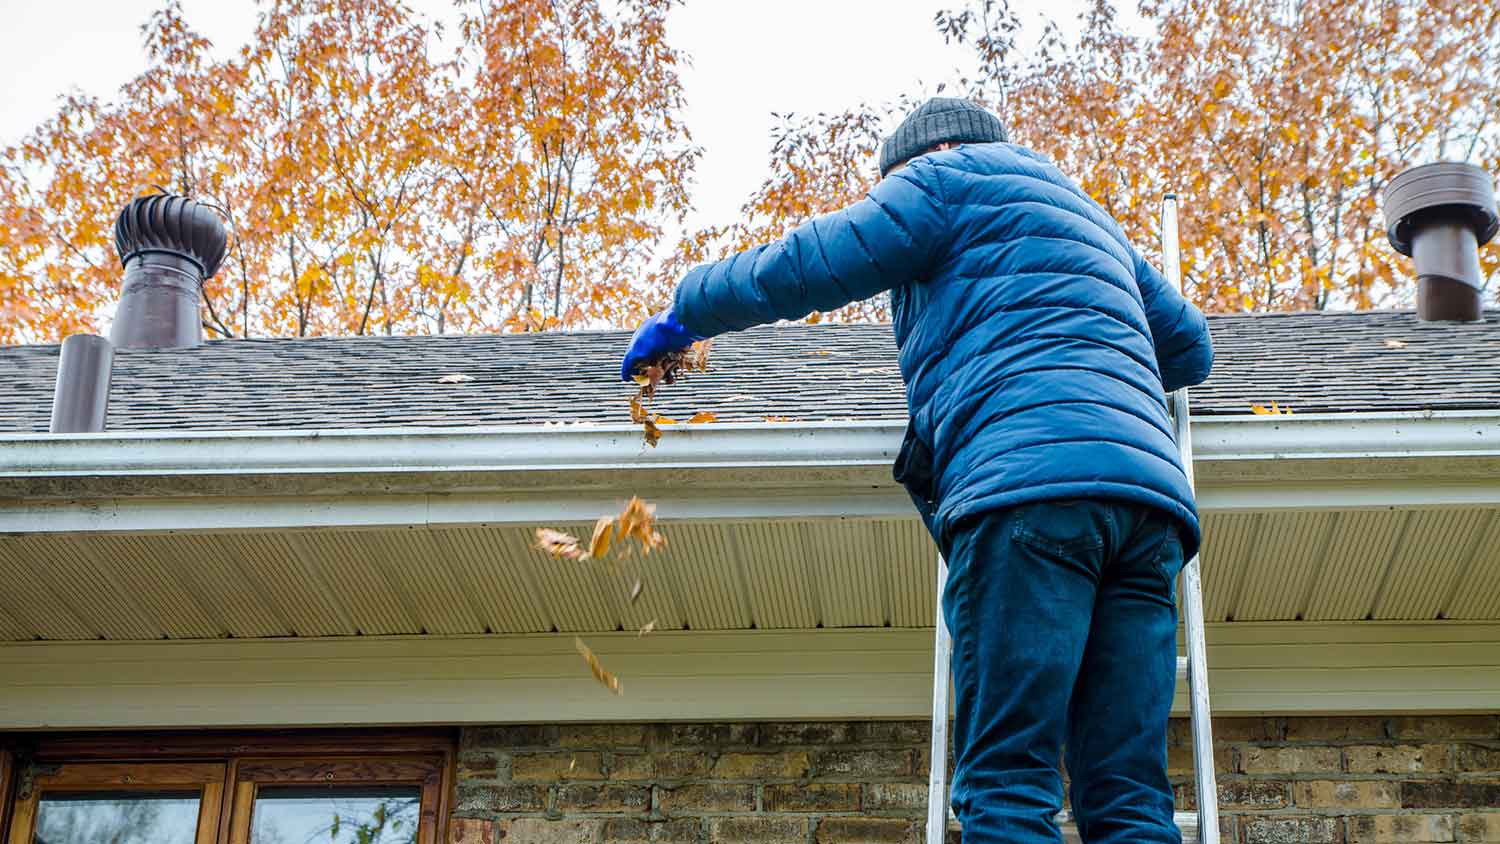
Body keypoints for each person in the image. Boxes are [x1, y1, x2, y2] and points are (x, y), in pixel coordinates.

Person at [619, 97, 1213, 844]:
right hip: (1150, 512)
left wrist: (689, 311)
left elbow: (806, 265)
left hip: (1023, 496)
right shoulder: (1088, 215)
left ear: (910, 164)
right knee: (1128, 796)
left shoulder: (938, 183)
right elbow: (1191, 348)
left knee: (1009, 783)